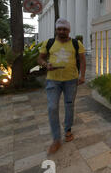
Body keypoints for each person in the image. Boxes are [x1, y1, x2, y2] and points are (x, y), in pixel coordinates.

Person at [37, 18, 86, 155]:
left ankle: (68, 130)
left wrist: (82, 76)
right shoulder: (49, 43)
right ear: (56, 30)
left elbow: (82, 60)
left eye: (64, 29)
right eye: (59, 29)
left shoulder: (76, 44)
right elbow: (40, 58)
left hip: (71, 80)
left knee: (69, 105)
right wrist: (46, 65)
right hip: (53, 81)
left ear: (69, 30)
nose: (61, 31)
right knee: (52, 107)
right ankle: (56, 139)